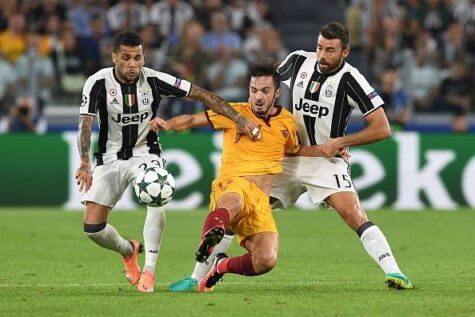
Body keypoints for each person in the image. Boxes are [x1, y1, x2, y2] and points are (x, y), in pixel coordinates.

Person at [170, 22, 413, 291]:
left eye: (330, 51)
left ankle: (395, 272)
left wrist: (341, 142)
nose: (322, 55)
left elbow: (382, 128)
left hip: (323, 159)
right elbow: (266, 84)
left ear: (345, 52)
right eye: (319, 47)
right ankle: (196, 276)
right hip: (284, 157)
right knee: (239, 212)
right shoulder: (298, 61)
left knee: (353, 213)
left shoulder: (352, 79)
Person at [75, 31, 260, 294]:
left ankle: (149, 269)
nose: (132, 64)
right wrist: (84, 161)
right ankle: (129, 250)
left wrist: (239, 119)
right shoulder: (97, 83)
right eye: (126, 58)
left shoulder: (153, 79)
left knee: (157, 194)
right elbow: (86, 122)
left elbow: (203, 95)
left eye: (137, 57)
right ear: (114, 57)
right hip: (109, 158)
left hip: (145, 153)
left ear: (143, 57)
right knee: (93, 228)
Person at [151, 58, 339, 292]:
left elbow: (294, 150)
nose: (258, 96)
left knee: (266, 259)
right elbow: (191, 120)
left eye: (265, 91)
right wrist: (167, 124)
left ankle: (221, 266)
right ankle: (206, 247)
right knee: (232, 202)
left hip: (260, 200)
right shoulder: (235, 112)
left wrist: (327, 150)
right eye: (253, 90)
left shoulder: (288, 122)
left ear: (276, 93)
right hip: (232, 183)